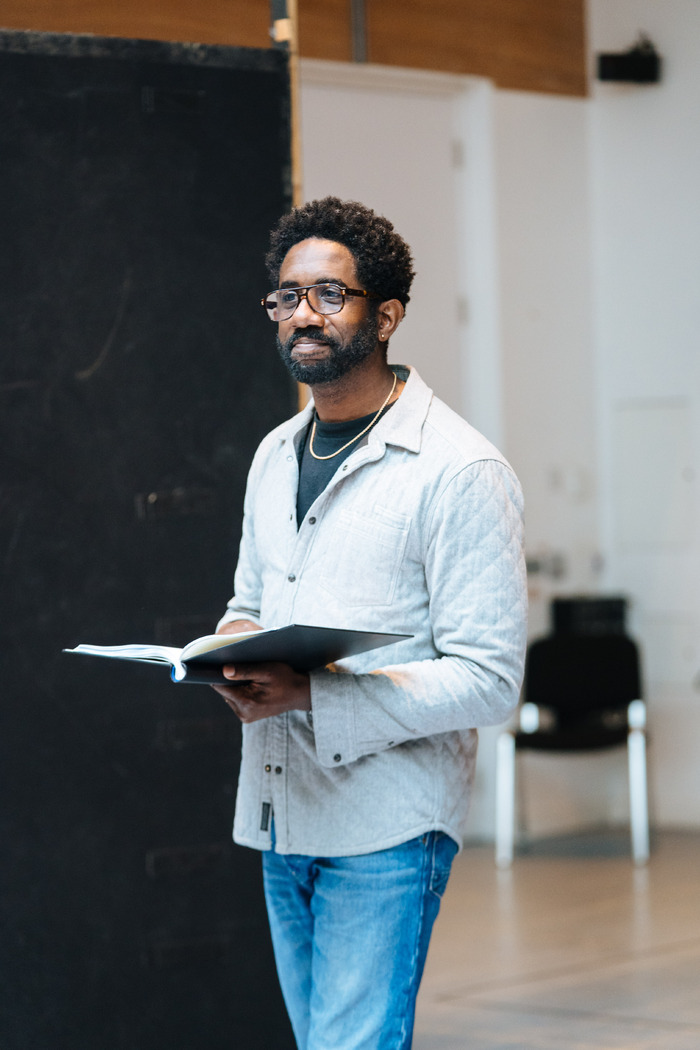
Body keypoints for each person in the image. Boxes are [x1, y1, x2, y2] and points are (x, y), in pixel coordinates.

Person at [212, 196, 527, 1050]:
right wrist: (233, 649)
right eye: (287, 296)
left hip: (388, 826)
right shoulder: (275, 454)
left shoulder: (460, 472)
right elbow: (250, 597)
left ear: (385, 315)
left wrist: (310, 694)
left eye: (328, 295)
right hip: (282, 809)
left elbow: (491, 678)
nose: (301, 315)